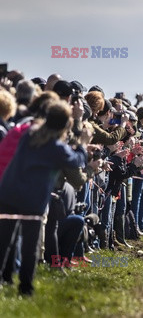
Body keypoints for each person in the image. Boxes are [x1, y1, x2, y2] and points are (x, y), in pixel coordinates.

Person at [0, 100, 89, 295]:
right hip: (32, 201)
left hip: (8, 194)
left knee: (4, 241)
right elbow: (77, 161)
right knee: (30, 246)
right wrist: (82, 143)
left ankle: (4, 278)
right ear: (65, 125)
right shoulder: (56, 147)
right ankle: (25, 288)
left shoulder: (28, 136)